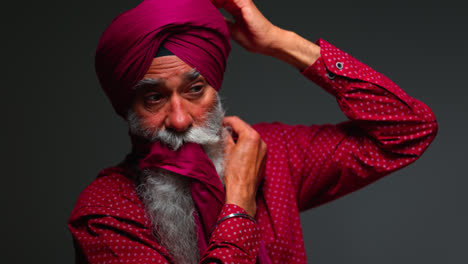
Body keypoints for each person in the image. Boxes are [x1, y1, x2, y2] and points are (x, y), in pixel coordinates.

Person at [68, 0, 438, 263]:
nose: (179, 120)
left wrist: (281, 42)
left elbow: (410, 129)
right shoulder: (106, 213)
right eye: (153, 97)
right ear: (126, 107)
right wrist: (240, 201)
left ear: (216, 86)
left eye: (195, 89)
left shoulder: (269, 152)